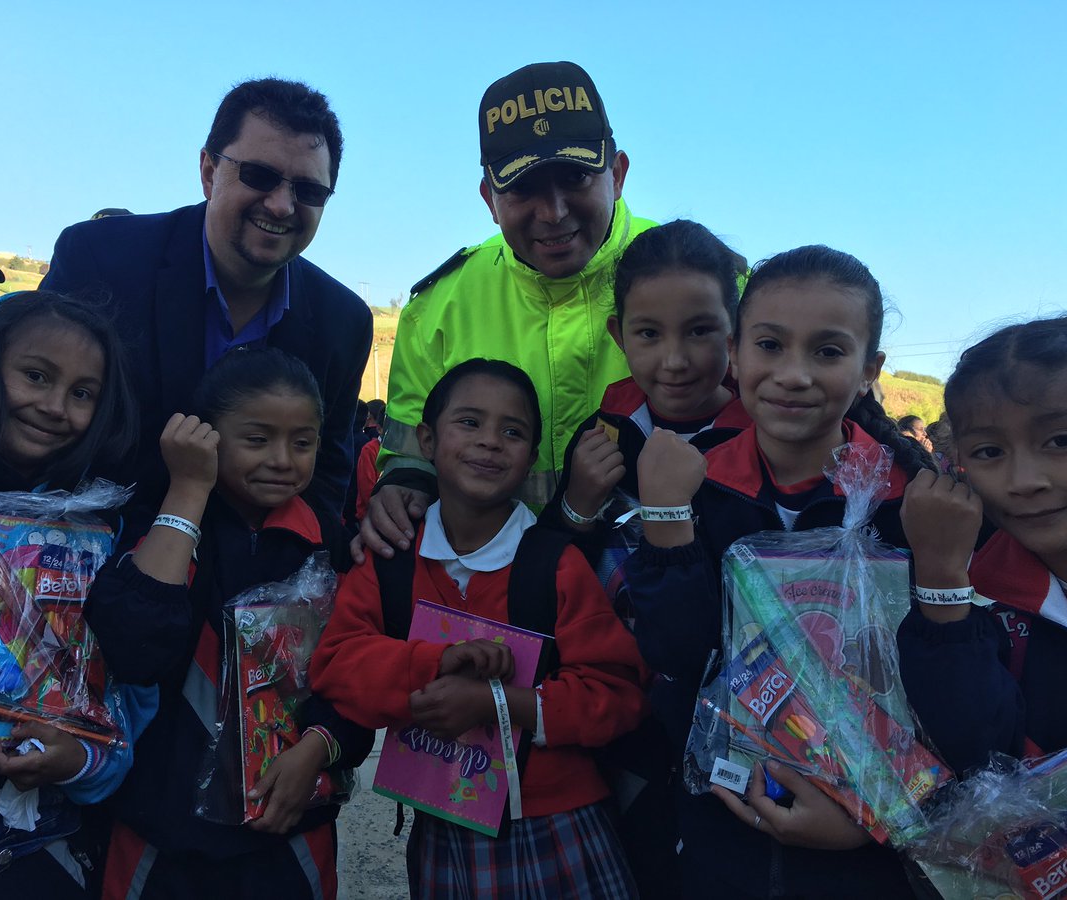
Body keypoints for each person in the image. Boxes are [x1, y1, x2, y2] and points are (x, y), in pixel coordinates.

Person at [625, 246, 934, 897]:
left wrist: (874, 817)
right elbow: (679, 653)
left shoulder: (913, 502)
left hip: (864, 849)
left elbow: (940, 692)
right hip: (720, 826)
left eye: (827, 352)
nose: (793, 374)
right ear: (736, 354)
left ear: (869, 369)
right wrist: (666, 518)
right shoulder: (693, 482)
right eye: (771, 345)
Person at [312, 359, 648, 899]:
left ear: (534, 456)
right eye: (469, 422)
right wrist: (437, 663)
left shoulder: (554, 564)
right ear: (426, 439)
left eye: (512, 431)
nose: (490, 442)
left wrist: (503, 705)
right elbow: (336, 663)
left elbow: (618, 692)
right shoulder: (391, 559)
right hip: (445, 826)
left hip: (558, 824)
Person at [84, 348, 372, 899]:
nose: (284, 460)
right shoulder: (164, 526)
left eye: (303, 441)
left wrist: (320, 746)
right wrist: (188, 492)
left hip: (289, 831)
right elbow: (133, 647)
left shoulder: (331, 546)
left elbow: (359, 676)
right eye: (257, 439)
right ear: (208, 438)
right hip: (159, 832)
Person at [361, 61, 660, 560]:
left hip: (660, 590)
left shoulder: (707, 280)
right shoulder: (434, 308)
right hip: (491, 600)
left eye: (575, 177)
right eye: (523, 188)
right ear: (489, 199)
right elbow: (411, 456)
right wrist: (400, 488)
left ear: (619, 173)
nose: (554, 211)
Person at [40, 78, 372, 527]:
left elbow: (328, 477)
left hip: (251, 583)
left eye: (309, 191)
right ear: (209, 172)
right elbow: (37, 420)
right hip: (88, 557)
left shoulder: (344, 321)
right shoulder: (100, 259)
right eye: (260, 176)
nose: (281, 205)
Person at [0, 291, 155, 897]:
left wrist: (81, 761)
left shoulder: (98, 537)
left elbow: (122, 709)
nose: (53, 406)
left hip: (24, 853)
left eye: (82, 393)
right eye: (35, 375)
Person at [540, 220, 749, 897]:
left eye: (700, 331)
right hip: (610, 719)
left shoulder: (765, 443)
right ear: (617, 336)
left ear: (736, 330)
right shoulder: (602, 434)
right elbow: (550, 570)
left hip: (730, 726)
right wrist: (577, 501)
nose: (675, 361)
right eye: (648, 334)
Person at [897, 316, 1067, 783]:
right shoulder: (974, 588)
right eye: (990, 452)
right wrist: (940, 580)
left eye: (1061, 441)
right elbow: (971, 755)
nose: (1023, 482)